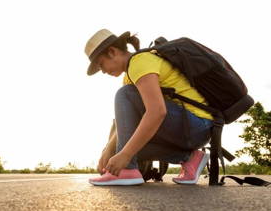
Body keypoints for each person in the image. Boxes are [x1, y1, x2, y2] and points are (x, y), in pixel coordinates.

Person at [84, 29, 213, 186]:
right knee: (131, 148)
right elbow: (124, 124)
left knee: (124, 95)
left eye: (101, 64)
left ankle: (127, 171)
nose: (103, 71)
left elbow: (157, 111)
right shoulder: (129, 76)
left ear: (112, 52)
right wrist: (109, 151)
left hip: (198, 125)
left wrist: (124, 156)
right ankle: (190, 158)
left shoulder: (140, 62)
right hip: (192, 129)